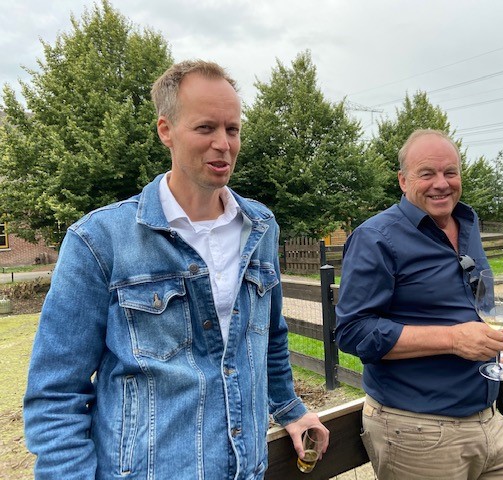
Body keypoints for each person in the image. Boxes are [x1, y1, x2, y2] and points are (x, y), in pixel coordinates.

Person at [23, 60, 329, 480]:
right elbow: (56, 393)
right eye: (206, 128)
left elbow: (270, 338)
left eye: (233, 129)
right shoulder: (99, 240)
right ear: (165, 130)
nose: (223, 144)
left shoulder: (260, 228)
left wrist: (290, 408)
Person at [335, 129, 503, 479]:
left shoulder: (466, 223)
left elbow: (470, 305)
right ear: (403, 180)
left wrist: (488, 353)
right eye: (427, 173)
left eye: (450, 172)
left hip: (489, 421)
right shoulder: (376, 238)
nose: (441, 183)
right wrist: (453, 340)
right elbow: (353, 332)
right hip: (418, 431)